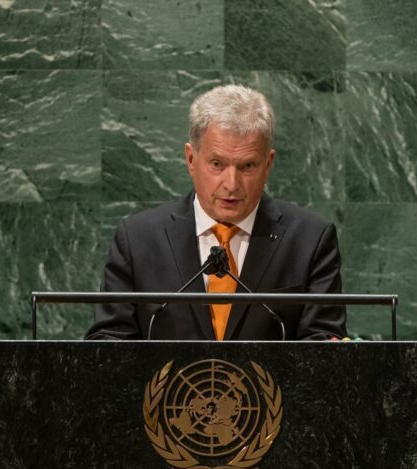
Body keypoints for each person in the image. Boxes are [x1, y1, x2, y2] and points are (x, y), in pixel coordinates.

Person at [85, 84, 346, 341]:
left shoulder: (310, 240)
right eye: (217, 164)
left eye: (247, 166)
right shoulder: (138, 240)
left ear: (268, 164)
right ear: (190, 159)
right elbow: (109, 345)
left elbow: (323, 345)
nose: (231, 184)